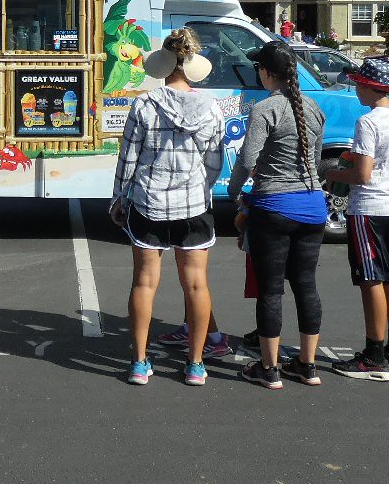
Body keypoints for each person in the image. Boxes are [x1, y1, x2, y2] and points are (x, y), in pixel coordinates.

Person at [111, 27, 224, 386]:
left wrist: (119, 196)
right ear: (191, 63)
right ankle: (196, 364)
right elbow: (215, 162)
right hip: (194, 205)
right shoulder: (211, 107)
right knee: (196, 285)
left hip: (149, 201)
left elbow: (128, 158)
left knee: (144, 283)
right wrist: (199, 187)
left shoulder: (145, 104)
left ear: (163, 62)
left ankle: (139, 362)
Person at [229, 41, 326, 390]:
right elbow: (315, 161)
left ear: (266, 72)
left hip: (274, 206)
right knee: (306, 285)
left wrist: (234, 192)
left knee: (270, 290)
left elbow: (247, 159)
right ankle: (307, 365)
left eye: (259, 68)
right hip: (313, 205)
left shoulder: (265, 109)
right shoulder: (313, 108)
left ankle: (269, 368)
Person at [326, 59, 389, 381]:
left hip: (369, 208)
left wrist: (334, 174)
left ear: (366, 86)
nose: (355, 89)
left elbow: (362, 175)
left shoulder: (367, 122)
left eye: (357, 84)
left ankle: (374, 355)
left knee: (370, 279)